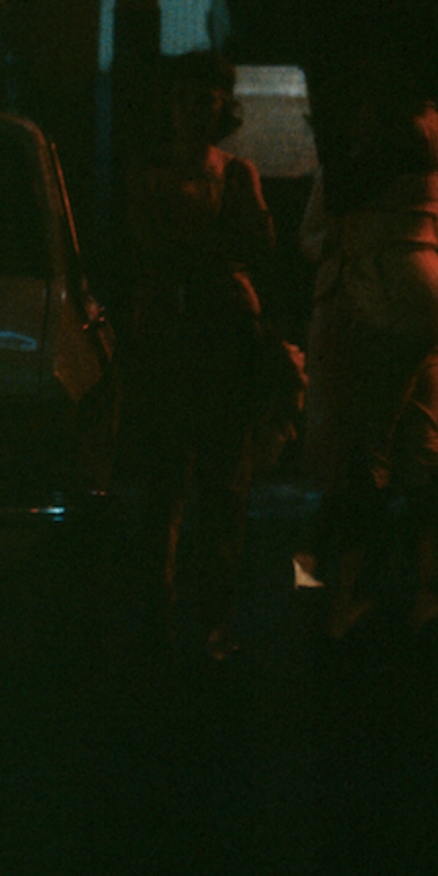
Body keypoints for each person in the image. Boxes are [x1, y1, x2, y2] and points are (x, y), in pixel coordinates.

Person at [297, 27, 438, 638]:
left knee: (365, 448)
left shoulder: (393, 129)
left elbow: (342, 197)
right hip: (436, 288)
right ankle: (432, 585)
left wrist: (331, 138)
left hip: (389, 293)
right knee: (421, 446)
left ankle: (345, 595)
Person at [121, 49, 276, 664]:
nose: (193, 109)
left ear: (221, 107)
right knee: (173, 482)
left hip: (212, 333)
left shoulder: (227, 174)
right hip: (185, 329)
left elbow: (253, 247)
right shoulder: (182, 174)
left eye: (204, 98)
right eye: (185, 97)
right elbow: (235, 248)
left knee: (218, 484)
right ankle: (171, 615)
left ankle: (203, 616)